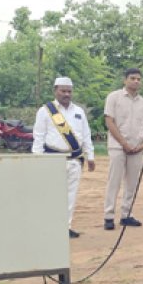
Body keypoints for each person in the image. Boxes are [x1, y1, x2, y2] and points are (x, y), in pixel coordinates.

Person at [32, 77, 95, 239]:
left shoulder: (79, 112)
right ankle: (47, 226)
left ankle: (65, 227)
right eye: (63, 91)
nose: (66, 94)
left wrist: (90, 155)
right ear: (55, 90)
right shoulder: (45, 111)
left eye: (69, 91)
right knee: (50, 195)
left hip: (74, 160)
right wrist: (37, 159)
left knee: (70, 196)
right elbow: (38, 136)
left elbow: (86, 135)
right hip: (51, 160)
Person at [102, 68, 143, 230]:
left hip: (136, 148)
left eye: (138, 79)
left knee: (132, 182)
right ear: (125, 80)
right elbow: (109, 122)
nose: (136, 81)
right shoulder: (114, 98)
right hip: (117, 147)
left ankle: (126, 214)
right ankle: (109, 216)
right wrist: (123, 143)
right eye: (132, 78)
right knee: (114, 181)